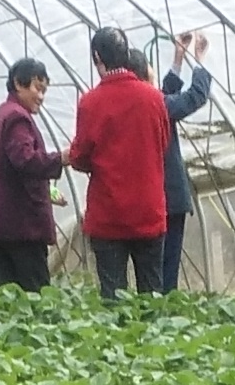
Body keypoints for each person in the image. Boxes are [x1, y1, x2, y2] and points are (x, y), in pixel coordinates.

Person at [65, 25, 171, 300]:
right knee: (152, 296)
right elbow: (163, 143)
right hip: (149, 212)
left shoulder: (91, 103)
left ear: (98, 57)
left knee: (113, 298)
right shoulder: (154, 99)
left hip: (109, 215)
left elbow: (79, 157)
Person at [0, 55, 59, 286]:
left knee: (9, 297)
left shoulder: (5, 112)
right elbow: (26, 160)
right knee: (35, 296)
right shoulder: (16, 117)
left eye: (44, 91)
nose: (41, 96)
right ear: (19, 84)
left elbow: (13, 169)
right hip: (20, 228)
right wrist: (62, 159)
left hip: (2, 226)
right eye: (37, 88)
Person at [155, 29, 213, 295]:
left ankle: (153, 312)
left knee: (155, 269)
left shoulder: (149, 107)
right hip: (168, 200)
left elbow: (167, 96)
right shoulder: (157, 106)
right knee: (166, 271)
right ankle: (161, 313)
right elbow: (194, 98)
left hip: (156, 201)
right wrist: (199, 62)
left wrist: (179, 58)